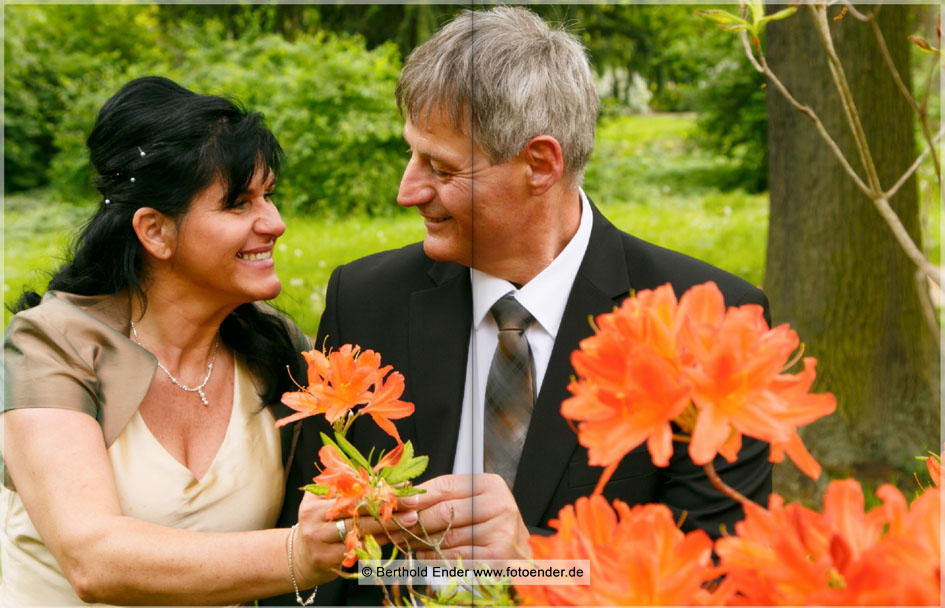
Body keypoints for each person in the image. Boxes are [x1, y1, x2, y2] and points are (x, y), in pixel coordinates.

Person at [271, 7, 772, 605]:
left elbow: (714, 582)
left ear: (540, 164)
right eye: (412, 155)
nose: (408, 191)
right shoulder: (366, 299)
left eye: (441, 167)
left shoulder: (703, 325)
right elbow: (318, 565)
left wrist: (535, 565)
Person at [0, 76, 416, 606]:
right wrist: (297, 556)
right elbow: (92, 559)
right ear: (155, 231)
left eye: (269, 196)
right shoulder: (49, 346)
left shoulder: (276, 350)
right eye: (240, 203)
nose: (277, 223)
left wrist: (520, 567)